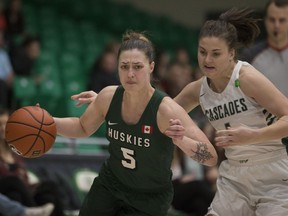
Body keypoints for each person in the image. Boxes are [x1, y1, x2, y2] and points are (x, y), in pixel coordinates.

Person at [74, 8, 288, 216]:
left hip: (272, 171)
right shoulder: (198, 89)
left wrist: (254, 136)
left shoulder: (246, 78)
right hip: (235, 175)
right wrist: (114, 102)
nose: (207, 60)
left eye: (216, 54)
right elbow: (155, 110)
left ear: (231, 53)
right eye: (202, 52)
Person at [54, 30, 218, 216]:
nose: (130, 73)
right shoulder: (108, 96)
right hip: (110, 185)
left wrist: (182, 141)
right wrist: (48, 123)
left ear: (151, 67)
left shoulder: (165, 110)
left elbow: (211, 156)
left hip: (149, 197)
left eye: (137, 67)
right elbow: (81, 127)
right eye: (124, 66)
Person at [0, 108, 65, 216]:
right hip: (5, 190)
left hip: (21, 189)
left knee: (48, 189)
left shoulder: (15, 149)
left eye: (5, 124)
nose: (3, 128)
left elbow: (24, 178)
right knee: (14, 186)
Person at [240, 0, 288, 97]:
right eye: (272, 20)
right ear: (265, 21)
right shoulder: (250, 56)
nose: (276, 26)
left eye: (282, 20)